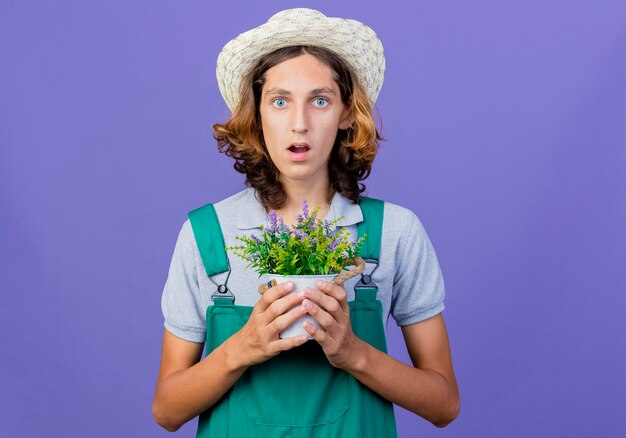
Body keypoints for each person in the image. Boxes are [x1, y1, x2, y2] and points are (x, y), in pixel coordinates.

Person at [152, 8, 460, 436]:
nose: (300, 124)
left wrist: (354, 352)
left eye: (320, 100)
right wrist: (243, 348)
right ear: (257, 115)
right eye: (280, 101)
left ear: (347, 113)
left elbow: (444, 404)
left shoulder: (394, 233)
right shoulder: (208, 236)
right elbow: (167, 411)